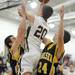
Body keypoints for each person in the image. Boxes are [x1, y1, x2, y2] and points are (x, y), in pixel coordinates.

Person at [36, 6, 64, 75]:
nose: (55, 33)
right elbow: (39, 34)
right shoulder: (49, 43)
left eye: (57, 33)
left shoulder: (60, 49)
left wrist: (61, 18)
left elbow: (60, 37)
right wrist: (42, 17)